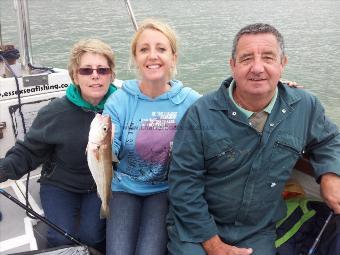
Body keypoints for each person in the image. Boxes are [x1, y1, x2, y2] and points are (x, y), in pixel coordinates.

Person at [167, 23, 340, 255]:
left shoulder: (304, 106)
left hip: (257, 229)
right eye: (247, 59)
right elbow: (184, 183)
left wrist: (330, 174)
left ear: (283, 64)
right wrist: (213, 244)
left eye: (268, 57)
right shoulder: (200, 114)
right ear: (232, 65)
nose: (257, 68)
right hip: (197, 226)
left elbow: (328, 139)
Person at [0, 38, 117, 253]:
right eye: (86, 70)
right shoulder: (55, 112)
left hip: (99, 186)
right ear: (74, 75)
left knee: (94, 235)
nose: (95, 75)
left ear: (111, 74)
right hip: (60, 185)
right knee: (61, 236)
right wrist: (4, 170)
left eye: (102, 69)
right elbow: (29, 151)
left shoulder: (121, 108)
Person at [103, 19, 201, 255]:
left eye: (161, 48)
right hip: (123, 188)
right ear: (135, 57)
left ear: (173, 58)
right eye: (144, 49)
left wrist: (278, 90)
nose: (152, 56)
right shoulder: (119, 100)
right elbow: (110, 151)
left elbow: (225, 108)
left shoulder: (189, 101)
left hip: (163, 189)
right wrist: (105, 145)